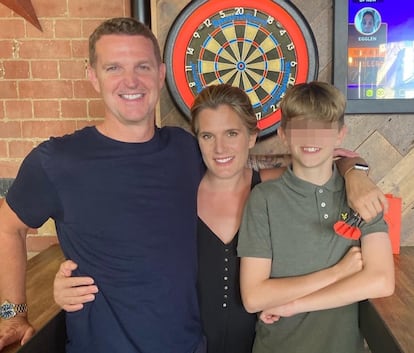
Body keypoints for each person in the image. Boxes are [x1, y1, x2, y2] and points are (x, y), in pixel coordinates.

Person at [52, 83, 388, 353]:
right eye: (207, 136)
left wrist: (355, 173)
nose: (220, 148)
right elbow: (118, 244)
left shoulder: (269, 186)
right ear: (196, 140)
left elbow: (327, 160)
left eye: (232, 133)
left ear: (252, 137)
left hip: (262, 338)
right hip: (185, 342)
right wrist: (69, 279)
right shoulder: (173, 197)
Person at [0, 17, 206, 353]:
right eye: (114, 68)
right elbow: (7, 227)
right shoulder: (57, 161)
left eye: (142, 66)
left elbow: (242, 178)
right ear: (93, 77)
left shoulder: (185, 149)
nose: (131, 81)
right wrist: (13, 314)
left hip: (187, 344)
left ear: (161, 73)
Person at [237, 81, 395, 353]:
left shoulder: (362, 196)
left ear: (340, 135)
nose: (311, 139)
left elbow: (381, 280)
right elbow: (254, 297)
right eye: (300, 128)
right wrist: (337, 273)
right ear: (283, 134)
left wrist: (293, 305)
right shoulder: (263, 199)